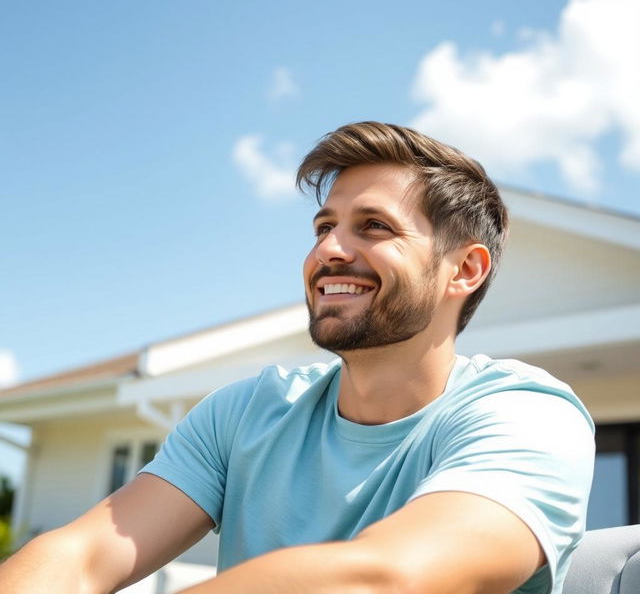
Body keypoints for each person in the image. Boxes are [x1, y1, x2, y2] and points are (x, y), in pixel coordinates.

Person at [0, 122, 594, 594]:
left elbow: (389, 578)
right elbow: (83, 555)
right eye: (324, 226)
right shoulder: (246, 412)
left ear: (464, 270)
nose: (330, 250)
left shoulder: (528, 416)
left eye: (374, 227)